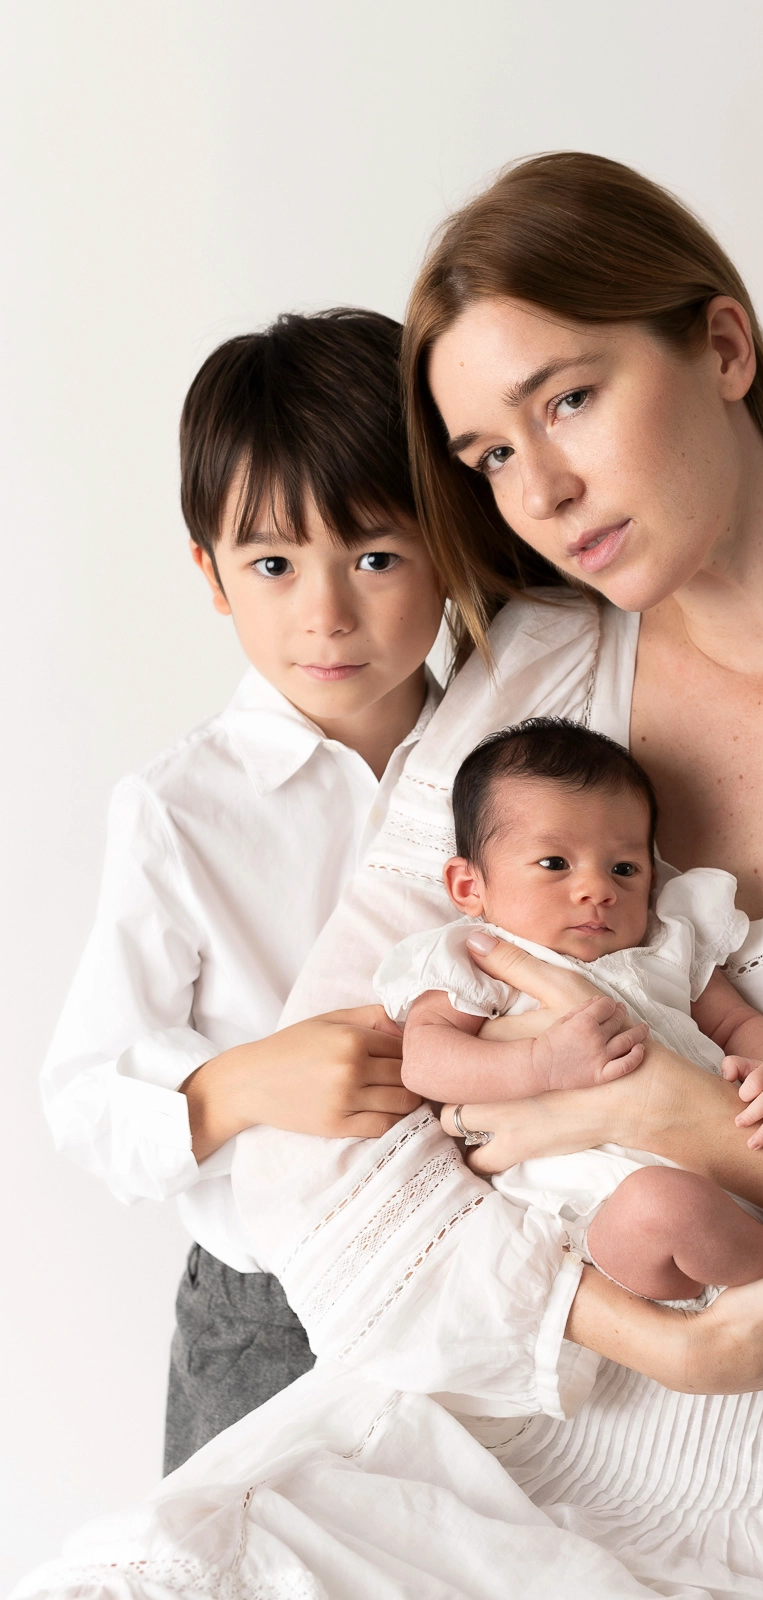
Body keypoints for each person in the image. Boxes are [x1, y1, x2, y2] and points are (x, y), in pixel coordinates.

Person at [17, 154, 763, 1599]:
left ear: (722, 345)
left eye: (566, 400)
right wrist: (655, 1340)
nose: (544, 491)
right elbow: (321, 1164)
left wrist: (677, 1113)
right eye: (491, 457)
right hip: (500, 1419)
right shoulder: (542, 669)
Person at [40, 308, 436, 1471]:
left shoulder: (512, 757)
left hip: (467, 1281)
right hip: (272, 1316)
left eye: (375, 556)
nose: (326, 612)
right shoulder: (180, 810)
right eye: (273, 564)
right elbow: (85, 1095)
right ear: (211, 575)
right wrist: (248, 1082)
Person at [384, 716, 763, 1305]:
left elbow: (738, 1023)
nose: (597, 889)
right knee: (661, 1204)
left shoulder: (665, 943)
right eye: (555, 864)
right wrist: (540, 1063)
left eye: (623, 869)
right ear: (468, 887)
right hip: (617, 1205)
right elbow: (425, 1061)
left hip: (748, 1157)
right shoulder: (473, 959)